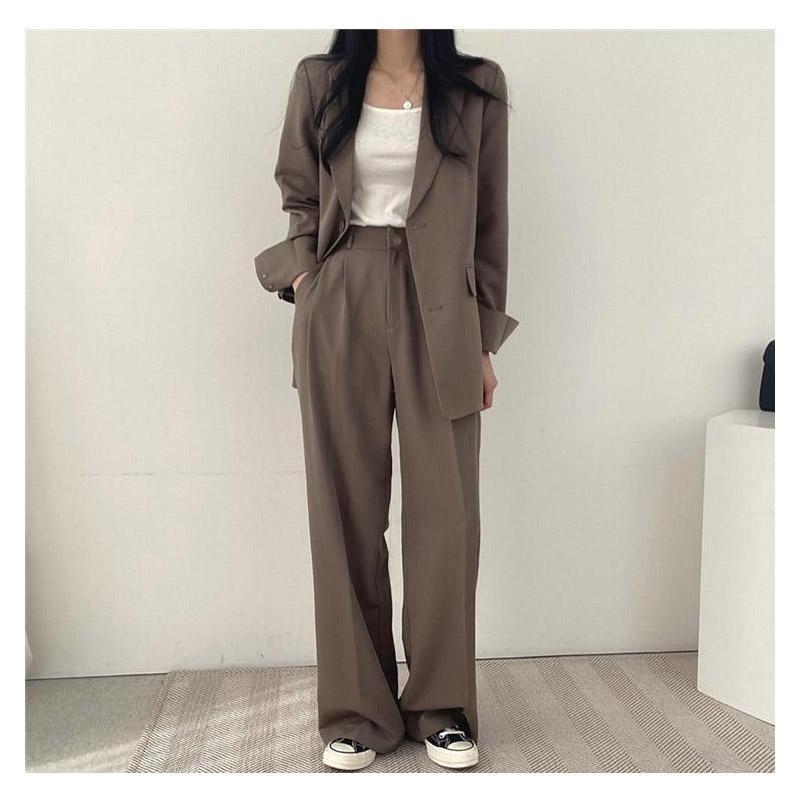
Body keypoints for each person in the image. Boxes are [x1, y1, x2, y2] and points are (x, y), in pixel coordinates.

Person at [254, 29, 518, 771]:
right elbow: (300, 193)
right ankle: (356, 710)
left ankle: (441, 706)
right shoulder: (320, 80)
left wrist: (483, 340)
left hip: (444, 309)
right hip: (343, 295)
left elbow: (490, 221)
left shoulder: (478, 87)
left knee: (447, 517)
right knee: (344, 511)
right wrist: (308, 284)